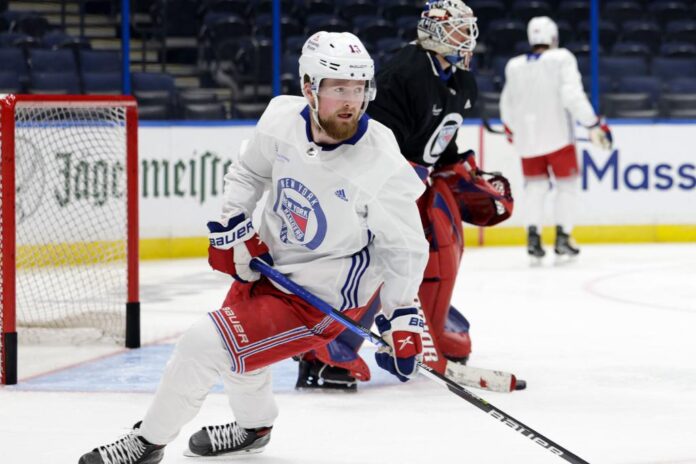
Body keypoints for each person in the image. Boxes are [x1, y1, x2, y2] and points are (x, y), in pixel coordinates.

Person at [78, 31, 429, 464]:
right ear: (308, 88)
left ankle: (147, 442)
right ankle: (254, 427)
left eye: (359, 90)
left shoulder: (381, 160)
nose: (351, 101)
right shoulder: (281, 119)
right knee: (239, 351)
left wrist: (401, 313)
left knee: (202, 344)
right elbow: (247, 173)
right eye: (339, 89)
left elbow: (406, 245)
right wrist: (233, 223)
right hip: (267, 264)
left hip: (323, 295)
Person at [295, 0, 513, 391]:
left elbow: (438, 140)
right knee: (371, 269)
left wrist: (461, 166)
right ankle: (326, 354)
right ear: (436, 31)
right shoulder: (404, 73)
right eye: (460, 30)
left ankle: (430, 324)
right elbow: (372, 143)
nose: (469, 38)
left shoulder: (461, 81)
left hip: (416, 183)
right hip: (379, 185)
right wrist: (389, 183)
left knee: (435, 253)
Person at [500, 16, 613, 262]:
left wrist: (511, 129)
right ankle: (563, 237)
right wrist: (592, 122)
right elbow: (572, 95)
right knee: (567, 187)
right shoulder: (562, 58)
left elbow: (507, 102)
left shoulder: (514, 65)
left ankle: (533, 237)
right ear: (553, 37)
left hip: (527, 141)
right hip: (559, 137)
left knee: (534, 189)